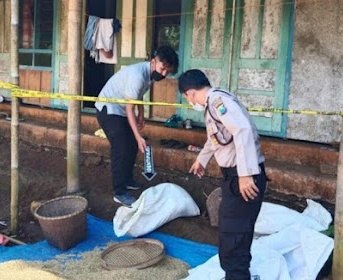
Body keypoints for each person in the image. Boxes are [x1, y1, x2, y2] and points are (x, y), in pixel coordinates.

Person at [178, 69, 267, 280]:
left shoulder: (218, 101)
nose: (189, 102)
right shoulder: (212, 105)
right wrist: (202, 158)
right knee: (234, 235)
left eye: (186, 98)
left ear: (190, 93)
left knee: (233, 239)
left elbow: (242, 130)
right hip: (234, 177)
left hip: (242, 177)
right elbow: (216, 138)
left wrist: (246, 175)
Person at [95, 46, 179, 207]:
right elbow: (129, 108)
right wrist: (138, 135)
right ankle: (119, 192)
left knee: (131, 145)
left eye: (167, 71)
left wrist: (141, 113)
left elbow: (138, 95)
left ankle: (126, 179)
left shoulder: (149, 74)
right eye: (162, 69)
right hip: (109, 109)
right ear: (153, 61)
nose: (163, 74)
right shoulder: (138, 75)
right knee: (120, 147)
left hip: (121, 110)